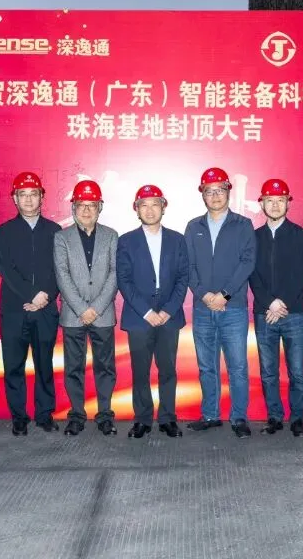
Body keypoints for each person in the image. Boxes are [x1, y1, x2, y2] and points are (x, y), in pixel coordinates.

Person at [184, 167, 256, 438]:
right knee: (206, 366)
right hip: (203, 308)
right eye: (209, 191)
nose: (215, 196)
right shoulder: (194, 227)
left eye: (220, 190)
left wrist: (224, 294)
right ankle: (210, 415)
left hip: (233, 308)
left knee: (237, 366)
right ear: (202, 195)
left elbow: (247, 262)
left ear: (228, 192)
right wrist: (204, 295)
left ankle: (239, 417)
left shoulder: (243, 225)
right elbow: (188, 266)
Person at [116, 184, 189, 439]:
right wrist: (147, 312)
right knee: (141, 371)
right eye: (143, 205)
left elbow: (183, 278)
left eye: (155, 204)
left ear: (163, 207)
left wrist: (168, 310)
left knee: (168, 370)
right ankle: (143, 419)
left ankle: (168, 418)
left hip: (169, 317)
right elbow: (124, 280)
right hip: (139, 317)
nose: (149, 210)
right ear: (136, 210)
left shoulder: (177, 240)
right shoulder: (126, 241)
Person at [0, 171, 62, 435]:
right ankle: (19, 417)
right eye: (22, 195)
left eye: (33, 194)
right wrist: (31, 295)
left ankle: (44, 414)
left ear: (42, 197)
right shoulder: (5, 231)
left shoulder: (55, 231)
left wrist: (45, 295)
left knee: (44, 364)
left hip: (46, 309)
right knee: (14, 365)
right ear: (15, 199)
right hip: (15, 310)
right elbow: (6, 269)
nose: (28, 199)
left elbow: (60, 270)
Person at [54, 180, 120, 436]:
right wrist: (82, 309)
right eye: (81, 205)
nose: (86, 210)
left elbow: (115, 273)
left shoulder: (111, 235)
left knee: (106, 367)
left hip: (103, 314)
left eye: (92, 205)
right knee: (74, 368)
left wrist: (97, 308)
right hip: (74, 315)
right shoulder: (62, 237)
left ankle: (105, 415)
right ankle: (77, 415)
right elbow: (62, 275)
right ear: (73, 207)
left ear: (100, 207)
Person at [249, 178, 303, 437]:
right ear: (262, 204)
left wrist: (282, 302)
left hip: (293, 313)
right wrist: (269, 303)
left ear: (288, 203)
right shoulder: (254, 237)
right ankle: (274, 417)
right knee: (268, 371)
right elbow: (251, 274)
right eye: (270, 201)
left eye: (280, 200)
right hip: (264, 314)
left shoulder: (299, 235)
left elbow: (301, 272)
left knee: (297, 371)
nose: (275, 205)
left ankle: (297, 419)